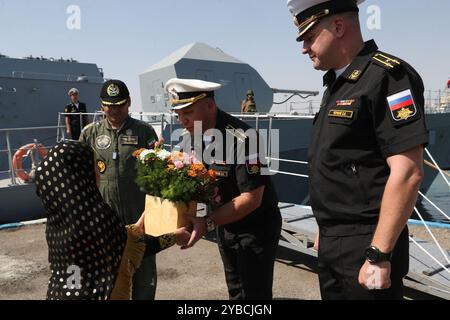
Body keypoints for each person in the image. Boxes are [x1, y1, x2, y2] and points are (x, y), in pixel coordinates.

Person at [286, 0, 428, 299]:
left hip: (368, 242)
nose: (304, 48)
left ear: (338, 27)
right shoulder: (336, 84)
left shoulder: (387, 76)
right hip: (332, 240)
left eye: (310, 37)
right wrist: (326, 227)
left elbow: (408, 171)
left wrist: (379, 254)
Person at [165, 78, 282, 300]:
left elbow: (251, 198)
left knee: (255, 295)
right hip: (225, 223)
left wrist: (207, 223)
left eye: (188, 112)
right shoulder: (192, 138)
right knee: (236, 291)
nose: (182, 120)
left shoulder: (244, 138)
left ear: (209, 105)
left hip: (255, 229)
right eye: (178, 114)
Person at [35, 141, 191, 300]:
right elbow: (132, 250)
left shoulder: (61, 218)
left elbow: (113, 241)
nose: (98, 171)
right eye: (94, 166)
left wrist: (140, 223)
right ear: (82, 173)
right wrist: (175, 237)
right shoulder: (95, 217)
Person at [79, 80, 159, 300]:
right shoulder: (90, 134)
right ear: (102, 105)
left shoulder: (144, 131)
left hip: (140, 220)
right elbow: (80, 177)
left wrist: (150, 216)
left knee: (144, 280)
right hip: (105, 223)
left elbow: (158, 177)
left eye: (119, 105)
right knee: (109, 281)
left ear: (129, 102)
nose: (113, 110)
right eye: (108, 105)